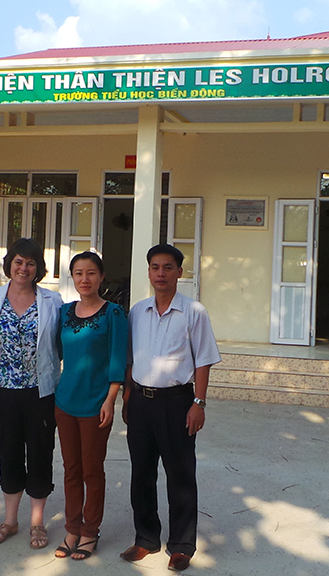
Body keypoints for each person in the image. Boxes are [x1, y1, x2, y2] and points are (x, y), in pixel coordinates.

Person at [121, 244, 220, 572]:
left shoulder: (194, 312)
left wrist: (199, 403)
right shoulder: (137, 311)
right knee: (142, 474)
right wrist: (127, 396)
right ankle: (146, 538)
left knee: (180, 475)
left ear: (179, 272)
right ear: (148, 272)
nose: (160, 274)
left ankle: (181, 545)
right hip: (140, 403)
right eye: (154, 267)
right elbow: (130, 358)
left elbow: (204, 360)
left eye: (167, 267)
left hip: (178, 403)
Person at [0, 238, 63, 550]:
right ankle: (10, 521)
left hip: (41, 393)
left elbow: (62, 344)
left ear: (38, 268)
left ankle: (37, 523)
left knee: (41, 454)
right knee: (9, 452)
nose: (23, 268)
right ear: (9, 264)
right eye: (18, 261)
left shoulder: (53, 302)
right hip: (2, 392)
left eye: (30, 263)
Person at [53, 251, 128, 561]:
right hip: (65, 402)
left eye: (91, 273)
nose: (85, 279)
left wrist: (111, 400)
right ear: (73, 278)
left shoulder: (114, 314)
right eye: (79, 273)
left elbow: (118, 360)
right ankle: (72, 527)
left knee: (92, 471)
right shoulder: (64, 313)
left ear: (101, 277)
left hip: (97, 404)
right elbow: (57, 353)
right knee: (71, 469)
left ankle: (89, 531)